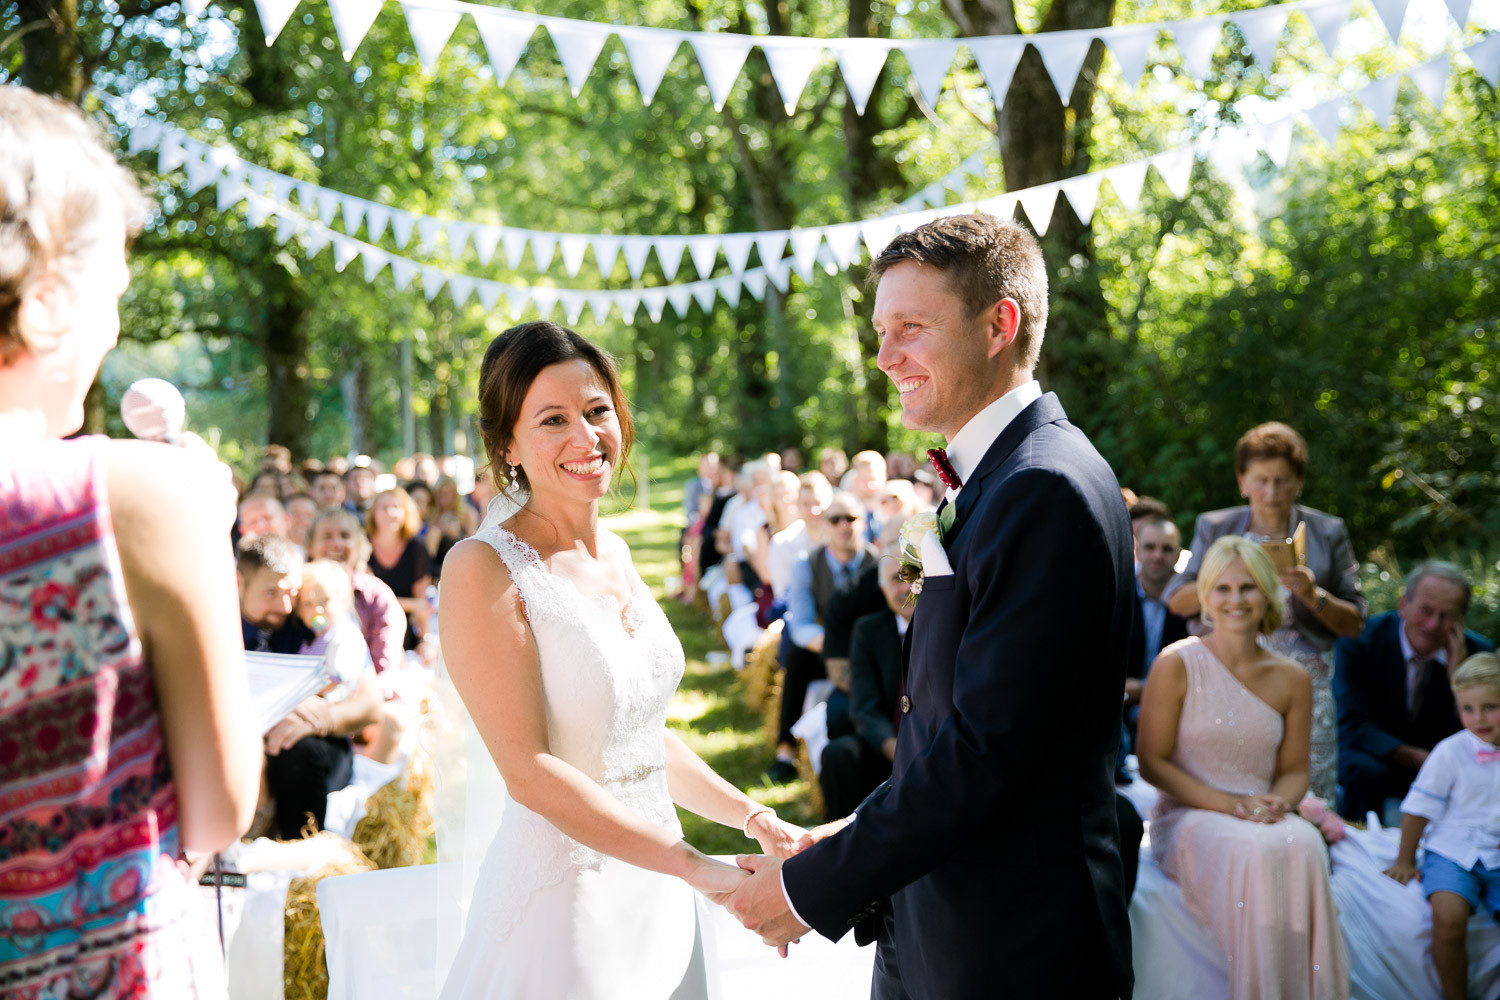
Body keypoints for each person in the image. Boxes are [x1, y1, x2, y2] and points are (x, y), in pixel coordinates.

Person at [724, 214, 1136, 999]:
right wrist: (845, 835)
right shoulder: (979, 482)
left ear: (998, 325)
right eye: (881, 331)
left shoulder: (1044, 487)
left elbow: (987, 751)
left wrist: (802, 892)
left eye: (909, 328)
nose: (885, 359)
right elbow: (944, 716)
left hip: (1013, 940)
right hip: (934, 913)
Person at [436, 322, 807, 998]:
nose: (586, 438)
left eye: (597, 410)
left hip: (659, 880)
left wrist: (751, 817)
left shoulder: (617, 553)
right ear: (507, 445)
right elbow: (529, 770)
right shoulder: (483, 568)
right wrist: (696, 866)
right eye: (553, 420)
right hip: (568, 905)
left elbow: (634, 732)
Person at [0, 85, 259, 996]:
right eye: (111, 289)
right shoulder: (132, 497)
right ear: (47, 300)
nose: (113, 325)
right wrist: (201, 546)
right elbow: (220, 808)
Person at [1139, 536, 1349, 1000]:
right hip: (1191, 814)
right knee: (1254, 849)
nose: (1236, 600)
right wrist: (1230, 804)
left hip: (1261, 809)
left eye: (1249, 588)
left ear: (1268, 595)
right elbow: (1152, 763)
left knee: (1305, 842)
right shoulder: (1176, 663)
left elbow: (1295, 770)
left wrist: (1280, 801)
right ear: (1208, 595)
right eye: (1225, 589)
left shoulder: (1291, 677)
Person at [1165, 421, 1366, 801]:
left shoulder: (1328, 530)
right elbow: (1177, 599)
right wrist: (1232, 583)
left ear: (1298, 481)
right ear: (1242, 481)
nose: (1271, 492)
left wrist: (1313, 594)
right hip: (1228, 670)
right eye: (1260, 480)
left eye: (1282, 480)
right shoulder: (1216, 526)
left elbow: (1355, 623)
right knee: (1234, 780)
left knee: (1308, 794)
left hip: (1306, 680)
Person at [1334, 561, 1494, 822]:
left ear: (1462, 620)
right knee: (1362, 770)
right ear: (1403, 605)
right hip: (1375, 752)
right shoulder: (1360, 641)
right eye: (1426, 610)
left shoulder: (1478, 654)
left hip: (1446, 761)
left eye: (1447, 616)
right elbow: (1353, 722)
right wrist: (1424, 760)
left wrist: (1460, 680)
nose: (1433, 624)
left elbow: (1482, 733)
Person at [1382, 652, 1500, 1000]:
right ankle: (1454, 995)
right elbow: (1419, 809)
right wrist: (1405, 859)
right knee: (1448, 917)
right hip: (1452, 850)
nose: (1478, 718)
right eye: (1468, 709)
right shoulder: (1449, 752)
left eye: (1490, 706)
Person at [261, 559, 382, 839]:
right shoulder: (308, 639)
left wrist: (296, 696)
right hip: (300, 718)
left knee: (301, 757)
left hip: (328, 727)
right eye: (307, 603)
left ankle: (305, 839)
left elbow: (336, 680)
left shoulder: (343, 636)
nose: (316, 609)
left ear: (341, 601)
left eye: (324, 601)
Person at [769, 492, 879, 784]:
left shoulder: (878, 562)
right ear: (826, 525)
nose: (844, 525)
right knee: (796, 656)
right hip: (822, 646)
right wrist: (835, 645)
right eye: (836, 519)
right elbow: (802, 624)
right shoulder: (806, 563)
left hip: (869, 649)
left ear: (863, 522)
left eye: (851, 518)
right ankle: (784, 750)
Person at [817, 551, 908, 820]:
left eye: (913, 577)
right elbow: (864, 704)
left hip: (937, 747)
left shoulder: (946, 626)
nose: (906, 587)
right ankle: (836, 845)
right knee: (838, 754)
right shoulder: (868, 630)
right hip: (888, 747)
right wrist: (893, 747)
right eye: (896, 579)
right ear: (882, 588)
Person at [307, 507, 409, 676]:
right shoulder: (297, 592)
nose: (337, 544)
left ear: (359, 545)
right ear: (310, 546)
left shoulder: (378, 595)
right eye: (327, 536)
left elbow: (384, 670)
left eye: (345, 536)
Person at [1124, 506, 1190, 740]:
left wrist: (1145, 688)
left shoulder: (1189, 603)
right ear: (1137, 550)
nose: (1157, 556)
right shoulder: (1120, 594)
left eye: (1166, 549)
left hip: (1178, 709)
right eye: (1150, 547)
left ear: (1178, 555)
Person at [366, 486, 433, 649]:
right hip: (367, 629)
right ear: (373, 513)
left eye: (396, 507)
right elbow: (367, 601)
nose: (390, 513)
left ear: (406, 513)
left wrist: (425, 640)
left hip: (402, 632)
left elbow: (421, 602)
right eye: (384, 507)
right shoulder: (363, 545)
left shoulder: (416, 549)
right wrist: (412, 604)